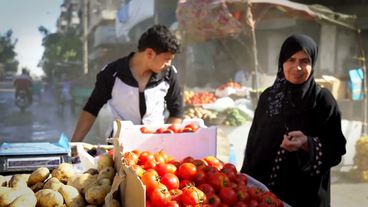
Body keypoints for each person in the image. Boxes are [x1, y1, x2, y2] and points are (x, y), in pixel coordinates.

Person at [240, 34, 346, 207]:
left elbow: (337, 147)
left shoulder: (323, 100)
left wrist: (307, 143)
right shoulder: (269, 97)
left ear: (313, 64)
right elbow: (253, 144)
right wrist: (245, 183)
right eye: (291, 59)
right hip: (262, 194)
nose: (297, 67)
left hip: (305, 197)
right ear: (282, 62)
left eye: (304, 61)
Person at [71, 24, 183, 142]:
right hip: (118, 146)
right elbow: (91, 109)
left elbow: (177, 111)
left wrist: (166, 139)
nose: (168, 64)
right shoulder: (112, 73)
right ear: (149, 53)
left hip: (154, 150)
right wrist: (73, 145)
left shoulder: (169, 74)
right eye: (166, 59)